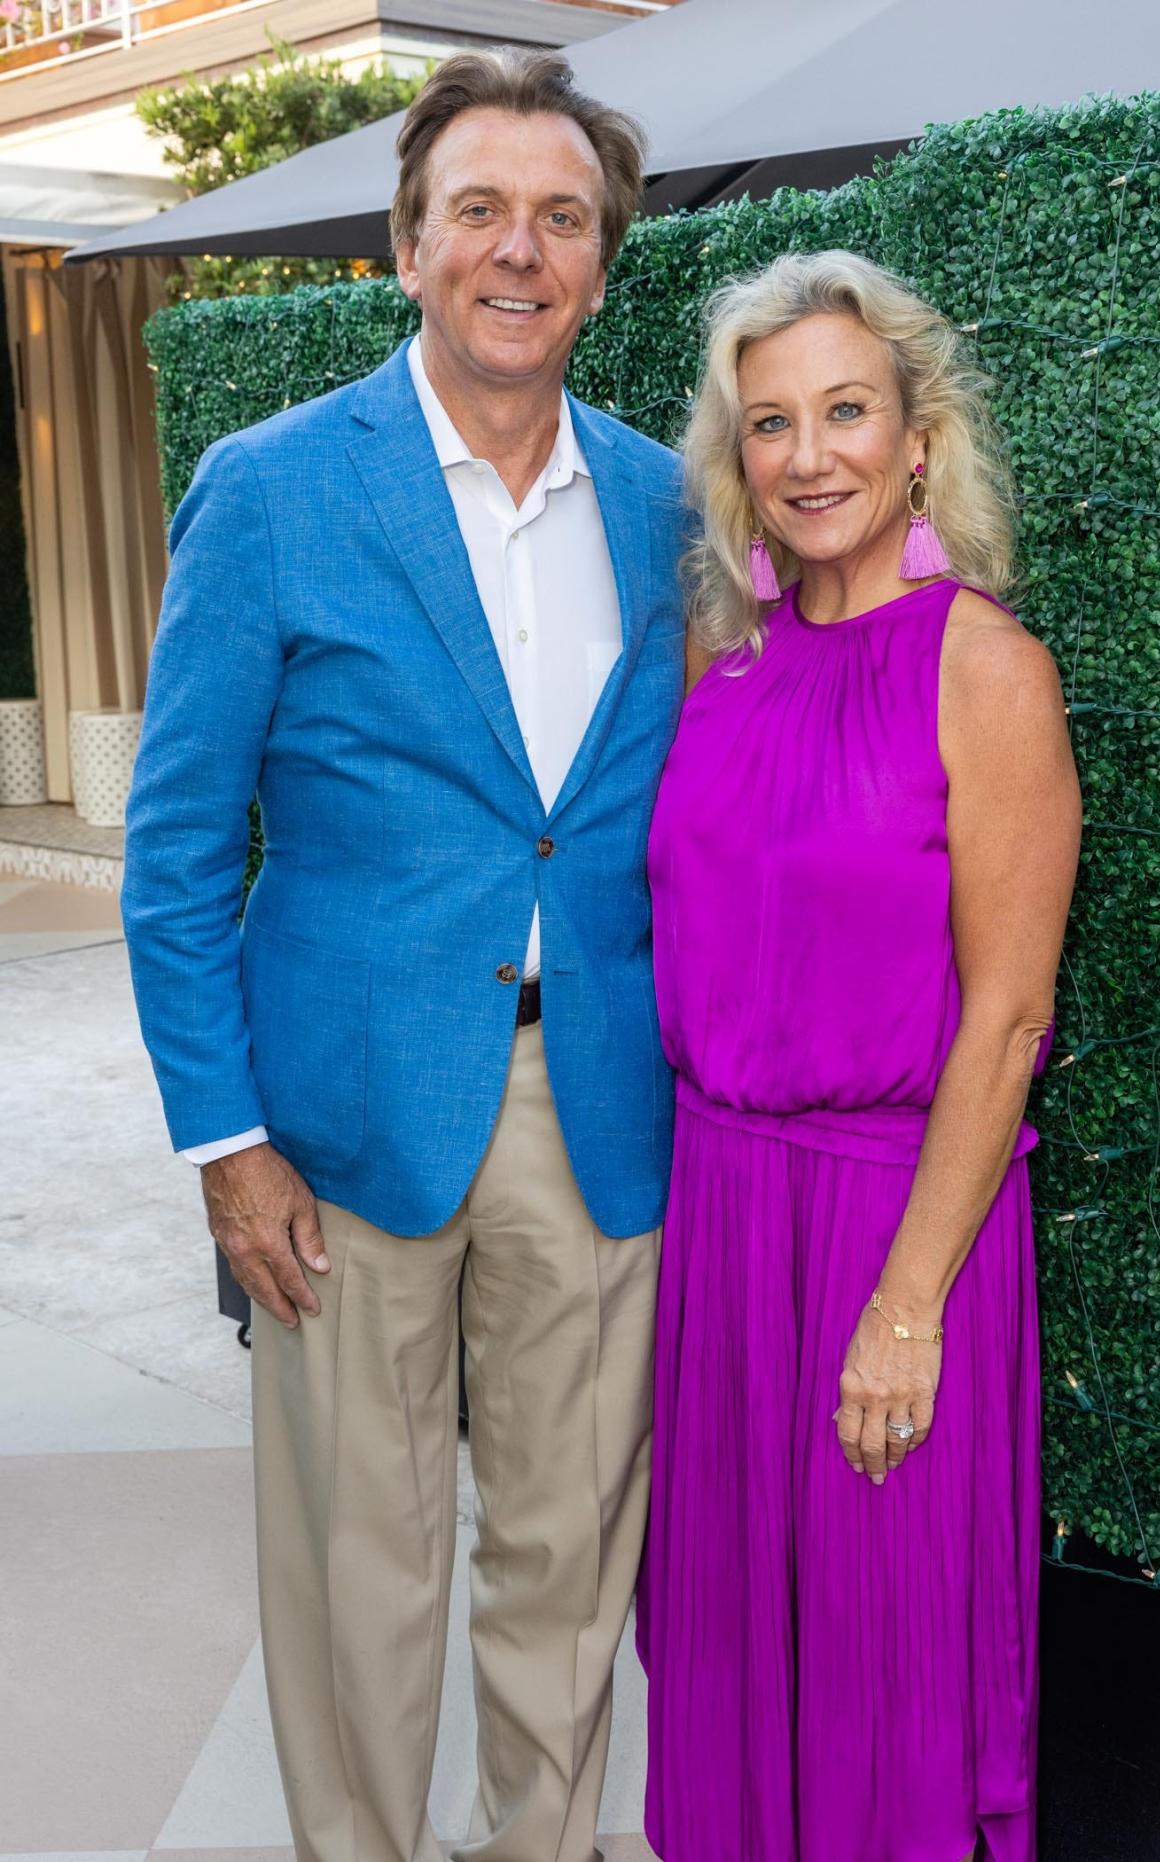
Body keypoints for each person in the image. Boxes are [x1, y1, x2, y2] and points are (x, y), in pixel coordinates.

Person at [121, 49, 689, 1862]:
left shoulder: (678, 508)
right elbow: (179, 846)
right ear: (406, 242)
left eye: (561, 218)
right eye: (479, 212)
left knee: (566, 1552)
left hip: (597, 1102)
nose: (518, 250)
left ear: (604, 262)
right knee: (355, 1564)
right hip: (343, 1132)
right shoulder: (273, 487)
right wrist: (226, 1141)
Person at [637, 251, 1082, 1862]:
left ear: (915, 439)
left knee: (880, 1670)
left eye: (844, 411)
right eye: (770, 423)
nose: (808, 454)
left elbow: (1008, 1018)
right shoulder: (723, 663)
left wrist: (906, 1306)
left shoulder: (982, 667)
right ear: (734, 457)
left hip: (894, 1232)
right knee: (728, 1646)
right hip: (722, 1235)